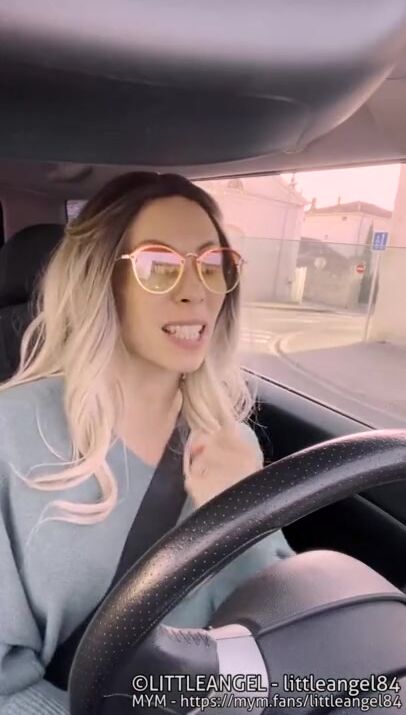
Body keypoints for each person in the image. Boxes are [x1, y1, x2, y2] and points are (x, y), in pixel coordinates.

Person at [0, 172, 294, 715]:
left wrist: (243, 512)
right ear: (101, 282)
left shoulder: (232, 440)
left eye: (212, 264)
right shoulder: (10, 432)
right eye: (159, 265)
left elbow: (279, 636)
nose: (195, 290)